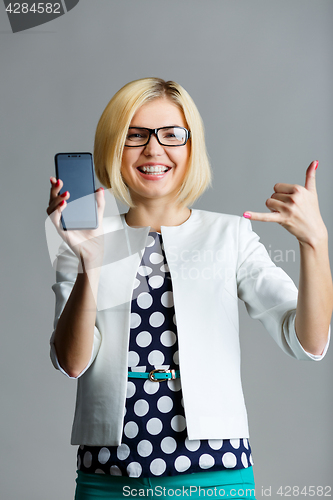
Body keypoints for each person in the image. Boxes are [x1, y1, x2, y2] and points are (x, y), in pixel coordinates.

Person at [46, 78, 332, 499]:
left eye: (171, 135)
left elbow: (308, 341)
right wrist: (90, 262)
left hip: (216, 475)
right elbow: (72, 362)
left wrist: (315, 244)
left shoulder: (230, 235)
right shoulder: (83, 237)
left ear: (191, 147)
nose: (153, 150)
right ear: (113, 147)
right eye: (135, 135)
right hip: (107, 479)